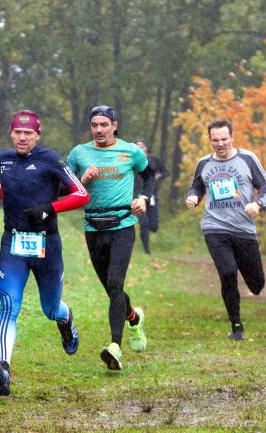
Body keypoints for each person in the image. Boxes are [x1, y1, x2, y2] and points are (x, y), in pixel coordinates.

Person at [0, 110, 89, 396]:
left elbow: (81, 194)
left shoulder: (50, 160)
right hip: (12, 243)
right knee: (8, 305)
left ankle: (66, 320)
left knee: (50, 309)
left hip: (46, 245)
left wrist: (49, 208)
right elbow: (6, 180)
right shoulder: (4, 159)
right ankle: (3, 370)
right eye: (17, 132)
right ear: (11, 133)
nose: (22, 137)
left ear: (37, 135)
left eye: (28, 133)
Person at [66, 105, 156, 371]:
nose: (99, 130)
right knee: (111, 289)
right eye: (94, 124)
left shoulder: (130, 151)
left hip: (122, 226)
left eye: (104, 124)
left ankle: (115, 346)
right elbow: (63, 186)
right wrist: (82, 179)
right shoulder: (79, 154)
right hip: (93, 228)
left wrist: (143, 198)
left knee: (116, 283)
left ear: (115, 125)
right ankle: (134, 317)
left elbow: (149, 176)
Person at [185, 118, 266, 341]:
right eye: (215, 140)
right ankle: (236, 325)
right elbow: (197, 185)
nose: (220, 144)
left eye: (224, 139)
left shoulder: (247, 158)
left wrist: (258, 204)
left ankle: (249, 283)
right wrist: (193, 196)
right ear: (210, 140)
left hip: (243, 229)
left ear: (232, 137)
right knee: (227, 272)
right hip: (214, 227)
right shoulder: (204, 163)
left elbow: (265, 187)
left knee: (257, 284)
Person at [133, 140, 170, 254]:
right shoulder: (131, 162)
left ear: (146, 148)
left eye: (142, 146)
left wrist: (158, 175)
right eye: (137, 147)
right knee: (144, 223)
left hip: (152, 196)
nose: (140, 148)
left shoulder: (153, 160)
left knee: (153, 226)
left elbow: (165, 172)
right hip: (137, 196)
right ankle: (146, 250)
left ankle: (150, 230)